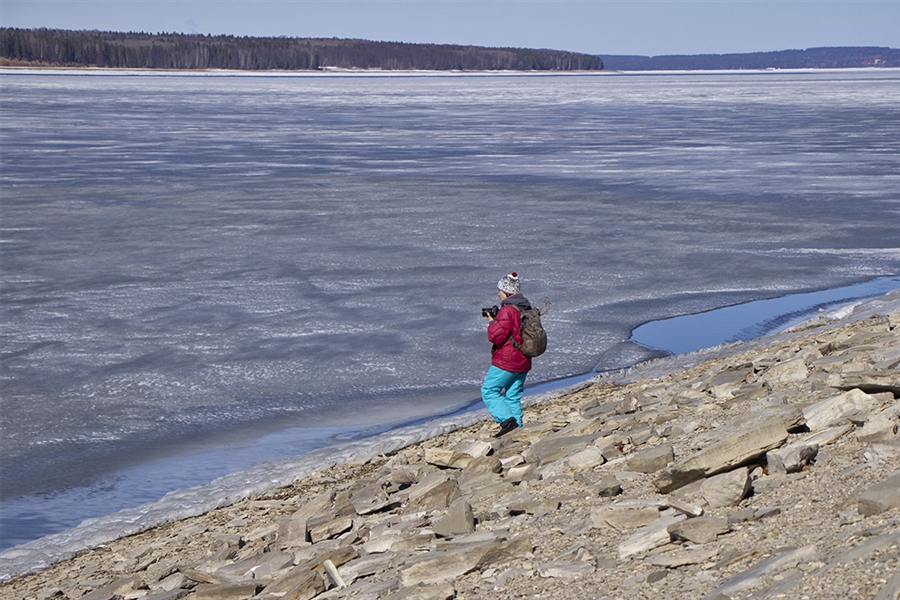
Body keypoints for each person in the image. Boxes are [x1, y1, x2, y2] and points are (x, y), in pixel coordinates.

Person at [481, 272, 532, 437]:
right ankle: (518, 429)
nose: (498, 294)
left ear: (507, 291)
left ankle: (507, 422)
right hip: (524, 359)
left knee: (489, 390)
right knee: (512, 395)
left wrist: (491, 323)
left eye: (500, 290)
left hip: (508, 360)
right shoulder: (525, 307)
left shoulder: (508, 311)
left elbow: (495, 336)